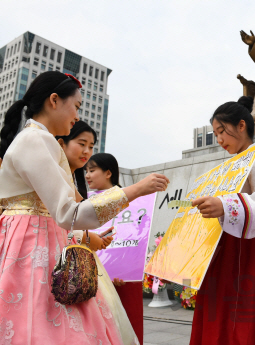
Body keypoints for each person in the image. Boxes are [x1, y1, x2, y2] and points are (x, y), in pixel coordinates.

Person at [0, 71, 169, 344]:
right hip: (30, 250)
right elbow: (69, 213)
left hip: (34, 244)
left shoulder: (40, 141)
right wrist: (134, 191)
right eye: (76, 106)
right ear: (54, 101)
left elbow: (55, 215)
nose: (77, 115)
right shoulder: (35, 140)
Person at [189, 96, 255, 345]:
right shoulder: (229, 166)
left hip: (253, 248)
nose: (220, 140)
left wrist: (223, 204)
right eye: (215, 134)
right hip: (227, 247)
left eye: (222, 131)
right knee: (222, 308)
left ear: (242, 126)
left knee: (250, 310)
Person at [57, 123, 141, 345]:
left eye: (90, 146)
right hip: (81, 268)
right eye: (81, 144)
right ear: (61, 144)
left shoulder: (123, 200)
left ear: (108, 173)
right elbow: (62, 220)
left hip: (98, 271)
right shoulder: (65, 180)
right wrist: (87, 238)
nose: (86, 153)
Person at [85, 153, 144, 345]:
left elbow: (136, 239)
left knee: (127, 327)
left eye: (92, 170)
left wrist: (123, 271)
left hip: (125, 278)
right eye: (86, 171)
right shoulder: (83, 203)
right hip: (95, 276)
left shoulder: (129, 200)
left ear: (108, 173)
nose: (87, 175)